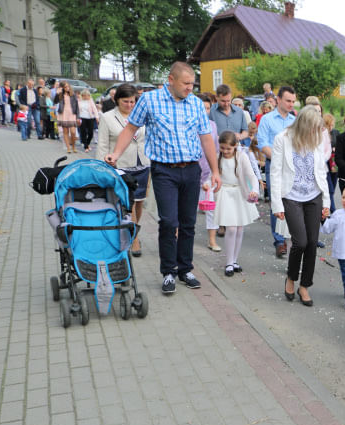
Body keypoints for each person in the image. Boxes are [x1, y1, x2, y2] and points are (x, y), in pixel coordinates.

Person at [104, 62, 221, 294]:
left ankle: (185, 269)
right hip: (164, 170)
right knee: (168, 221)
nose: (190, 88)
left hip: (191, 169)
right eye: (186, 83)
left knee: (188, 222)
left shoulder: (196, 104)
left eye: (192, 84)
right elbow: (130, 129)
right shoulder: (149, 100)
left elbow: (206, 138)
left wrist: (215, 171)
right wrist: (115, 154)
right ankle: (168, 271)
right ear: (171, 79)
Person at [269, 105, 330, 307]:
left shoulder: (317, 139)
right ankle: (291, 278)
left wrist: (327, 201)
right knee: (300, 242)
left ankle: (305, 286)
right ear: (304, 126)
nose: (316, 133)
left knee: (312, 242)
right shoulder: (282, 139)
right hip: (291, 196)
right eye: (313, 128)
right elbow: (275, 172)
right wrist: (276, 204)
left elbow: (322, 171)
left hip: (313, 195)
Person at [96, 83, 150, 257]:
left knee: (140, 202)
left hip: (143, 163)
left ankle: (133, 230)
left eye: (132, 101)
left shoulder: (142, 115)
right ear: (116, 100)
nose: (129, 105)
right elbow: (103, 144)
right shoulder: (107, 117)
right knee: (130, 203)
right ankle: (134, 239)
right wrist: (101, 166)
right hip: (121, 165)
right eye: (125, 101)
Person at [213, 131, 260, 277]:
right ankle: (228, 262)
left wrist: (255, 191)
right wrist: (208, 185)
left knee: (239, 228)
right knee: (231, 228)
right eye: (223, 148)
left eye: (229, 149)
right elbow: (211, 176)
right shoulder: (217, 157)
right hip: (225, 193)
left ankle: (234, 260)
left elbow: (251, 176)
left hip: (239, 193)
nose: (225, 151)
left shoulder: (241, 157)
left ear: (235, 146)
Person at [257, 85, 297, 258]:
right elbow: (262, 143)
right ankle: (279, 241)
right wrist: (279, 158)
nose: (291, 104)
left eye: (293, 102)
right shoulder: (267, 119)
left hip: (292, 167)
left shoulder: (294, 120)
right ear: (278, 100)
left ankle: (292, 235)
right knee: (277, 202)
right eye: (288, 101)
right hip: (274, 164)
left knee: (292, 201)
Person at [321, 185, 345, 297]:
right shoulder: (338, 214)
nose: (344, 200)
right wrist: (323, 220)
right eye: (343, 197)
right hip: (343, 251)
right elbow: (328, 228)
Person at [196, 94, 221, 252]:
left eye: (207, 108)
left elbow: (216, 149)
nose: (205, 111)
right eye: (202, 108)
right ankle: (181, 238)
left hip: (207, 171)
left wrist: (215, 171)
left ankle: (212, 240)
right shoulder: (188, 123)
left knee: (211, 208)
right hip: (191, 171)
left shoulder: (212, 125)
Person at [323, 113, 340, 212]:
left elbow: (339, 145)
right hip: (325, 164)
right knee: (330, 188)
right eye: (329, 125)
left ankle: (328, 207)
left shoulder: (335, 133)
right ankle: (333, 211)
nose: (331, 127)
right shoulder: (322, 134)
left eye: (332, 125)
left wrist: (335, 149)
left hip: (334, 164)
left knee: (333, 187)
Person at [56, 82, 79, 153]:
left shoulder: (73, 95)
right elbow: (55, 101)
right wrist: (57, 93)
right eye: (65, 87)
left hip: (72, 115)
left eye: (68, 86)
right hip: (63, 115)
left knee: (73, 132)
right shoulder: (60, 95)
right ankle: (68, 148)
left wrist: (78, 117)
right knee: (65, 132)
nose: (67, 88)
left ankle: (74, 146)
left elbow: (77, 107)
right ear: (62, 88)